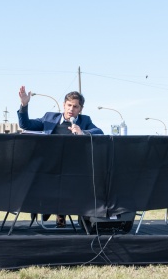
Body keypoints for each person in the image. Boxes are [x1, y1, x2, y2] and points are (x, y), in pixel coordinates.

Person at [17, 86, 103, 226]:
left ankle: (57, 211)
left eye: (75, 107)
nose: (71, 109)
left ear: (80, 109)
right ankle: (50, 208)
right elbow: (25, 125)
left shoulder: (84, 121)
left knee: (71, 180)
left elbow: (99, 132)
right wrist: (24, 104)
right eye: (69, 105)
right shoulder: (49, 118)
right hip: (49, 166)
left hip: (73, 168)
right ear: (63, 105)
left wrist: (82, 132)